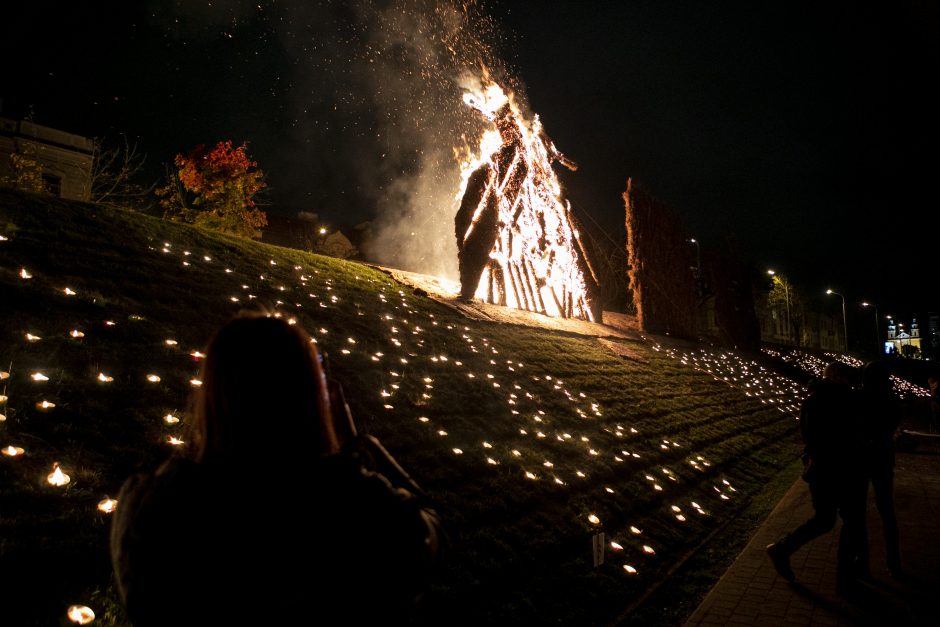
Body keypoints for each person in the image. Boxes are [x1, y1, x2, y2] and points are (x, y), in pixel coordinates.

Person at [110, 311, 443, 626]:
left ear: (213, 394)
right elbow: (428, 534)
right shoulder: (348, 500)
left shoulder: (157, 505)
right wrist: (357, 444)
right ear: (312, 397)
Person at [766, 361, 867, 596]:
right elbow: (821, 435)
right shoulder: (832, 400)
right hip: (832, 470)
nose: (847, 381)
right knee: (837, 520)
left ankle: (783, 550)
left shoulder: (824, 399)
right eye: (843, 377)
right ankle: (784, 550)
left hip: (829, 469)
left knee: (829, 520)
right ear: (834, 377)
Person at [857, 360, 902, 578]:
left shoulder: (860, 398)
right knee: (887, 510)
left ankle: (862, 562)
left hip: (862, 458)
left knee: (857, 512)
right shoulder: (891, 400)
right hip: (883, 456)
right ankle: (894, 562)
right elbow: (893, 424)